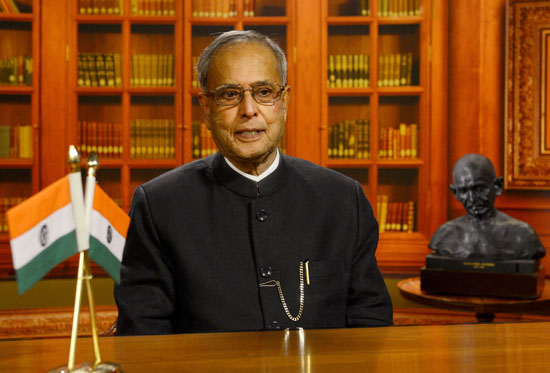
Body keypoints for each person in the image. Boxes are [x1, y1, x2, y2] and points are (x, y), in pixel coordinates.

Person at [114, 30, 392, 335]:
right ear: (206, 108)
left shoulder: (342, 199)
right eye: (230, 94)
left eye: (264, 92)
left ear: (284, 101)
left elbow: (371, 325)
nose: (249, 110)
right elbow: (144, 338)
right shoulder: (159, 206)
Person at [429, 153, 545, 260]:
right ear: (455, 193)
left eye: (480, 189)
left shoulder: (523, 235)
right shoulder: (445, 235)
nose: (472, 199)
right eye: (464, 191)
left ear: (497, 187)